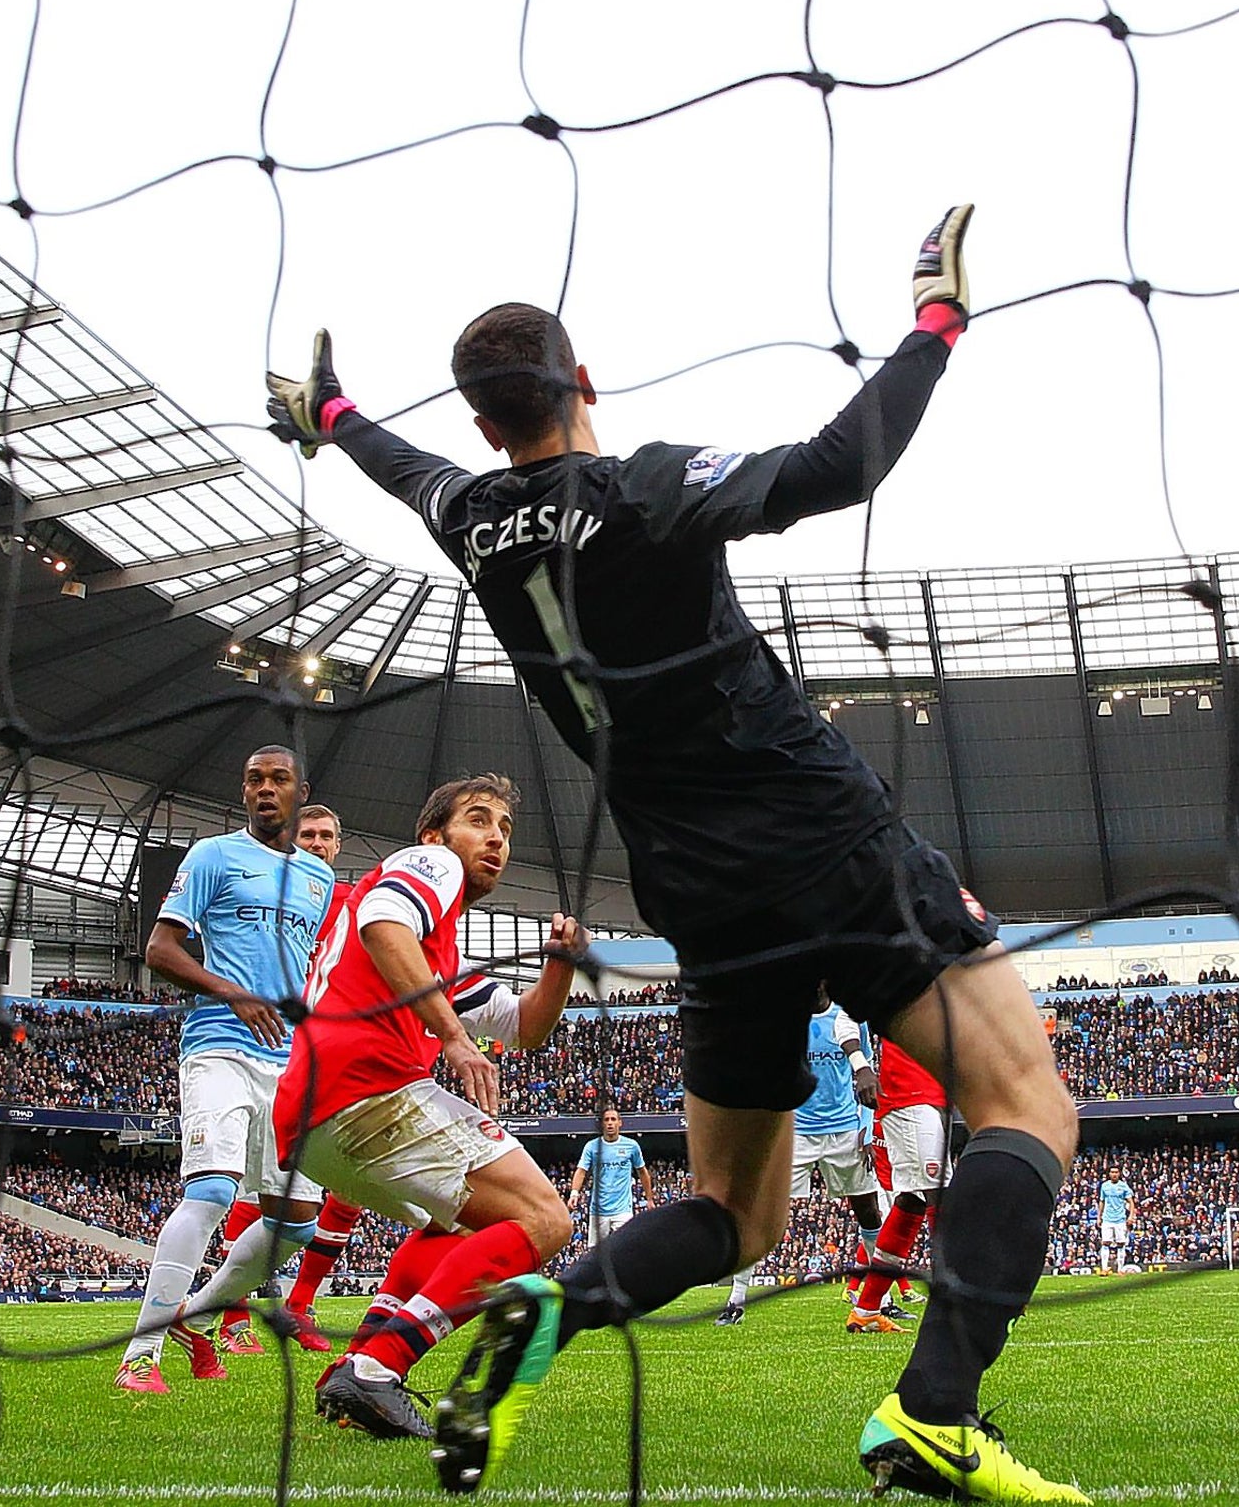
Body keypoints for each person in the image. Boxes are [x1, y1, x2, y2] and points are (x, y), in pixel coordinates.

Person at [268, 206, 1088, 1502]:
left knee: (733, 1214)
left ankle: (549, 1316)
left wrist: (326, 413)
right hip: (824, 837)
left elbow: (395, 463)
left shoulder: (470, 512)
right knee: (1028, 1102)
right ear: (583, 382)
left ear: (487, 424)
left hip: (699, 896)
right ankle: (936, 1407)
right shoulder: (638, 485)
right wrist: (937, 318)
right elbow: (834, 468)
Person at [270, 774, 585, 1440]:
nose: (495, 837)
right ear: (434, 834)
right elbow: (384, 925)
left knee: (470, 1229)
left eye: (504, 828)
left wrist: (559, 966)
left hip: (318, 1115)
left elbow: (525, 1027)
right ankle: (379, 1369)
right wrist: (454, 1038)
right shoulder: (428, 865)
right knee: (545, 1219)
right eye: (478, 819)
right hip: (365, 1089)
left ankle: (355, 1364)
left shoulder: (441, 949)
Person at [114, 745, 336, 1394]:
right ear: (244, 792)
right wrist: (231, 992)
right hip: (218, 1045)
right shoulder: (213, 856)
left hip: (290, 1060)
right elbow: (159, 949)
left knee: (297, 1223)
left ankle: (196, 1312)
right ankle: (140, 1355)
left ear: (300, 791)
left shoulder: (318, 881)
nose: (265, 789)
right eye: (254, 779)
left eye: (279, 779)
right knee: (211, 1192)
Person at [214, 801, 364, 1357]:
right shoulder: (273, 893)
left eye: (328, 835)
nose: (319, 843)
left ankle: (300, 1305)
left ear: (339, 844)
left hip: (336, 1052)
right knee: (259, 1185)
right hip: (275, 1050)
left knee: (348, 1191)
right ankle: (231, 1317)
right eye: (310, 835)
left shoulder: (352, 901)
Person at [717, 990, 885, 1330]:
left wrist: (866, 1127)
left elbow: (865, 1075)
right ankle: (735, 1301)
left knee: (868, 1210)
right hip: (797, 1132)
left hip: (844, 1131)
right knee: (760, 1213)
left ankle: (880, 1299)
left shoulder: (848, 1018)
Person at [849, 1034, 948, 1323]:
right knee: (937, 1196)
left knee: (912, 1202)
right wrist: (861, 1067)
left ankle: (866, 1309)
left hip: (930, 1098)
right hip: (908, 1098)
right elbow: (846, 1018)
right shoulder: (892, 989)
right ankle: (959, 1299)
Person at [569, 1107, 651, 1251]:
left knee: (627, 1250)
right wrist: (574, 1193)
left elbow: (642, 1172)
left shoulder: (631, 1146)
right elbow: (581, 1171)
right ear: (602, 1124)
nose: (610, 1123)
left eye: (613, 1119)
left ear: (620, 1123)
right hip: (598, 1210)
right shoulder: (592, 1147)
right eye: (606, 1120)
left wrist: (649, 1199)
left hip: (623, 1210)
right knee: (595, 1254)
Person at [1096, 1165, 1135, 1274]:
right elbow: (1102, 1201)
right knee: (1105, 1242)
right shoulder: (1104, 1186)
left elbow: (1131, 1202)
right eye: (1112, 1172)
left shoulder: (1123, 1186)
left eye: (1116, 1172)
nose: (1114, 1174)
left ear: (1119, 1174)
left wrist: (1131, 1216)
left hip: (1120, 1219)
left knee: (1121, 1243)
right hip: (1107, 1219)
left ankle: (1120, 1269)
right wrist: (1099, 1217)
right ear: (1109, 1174)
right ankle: (1104, 1269)